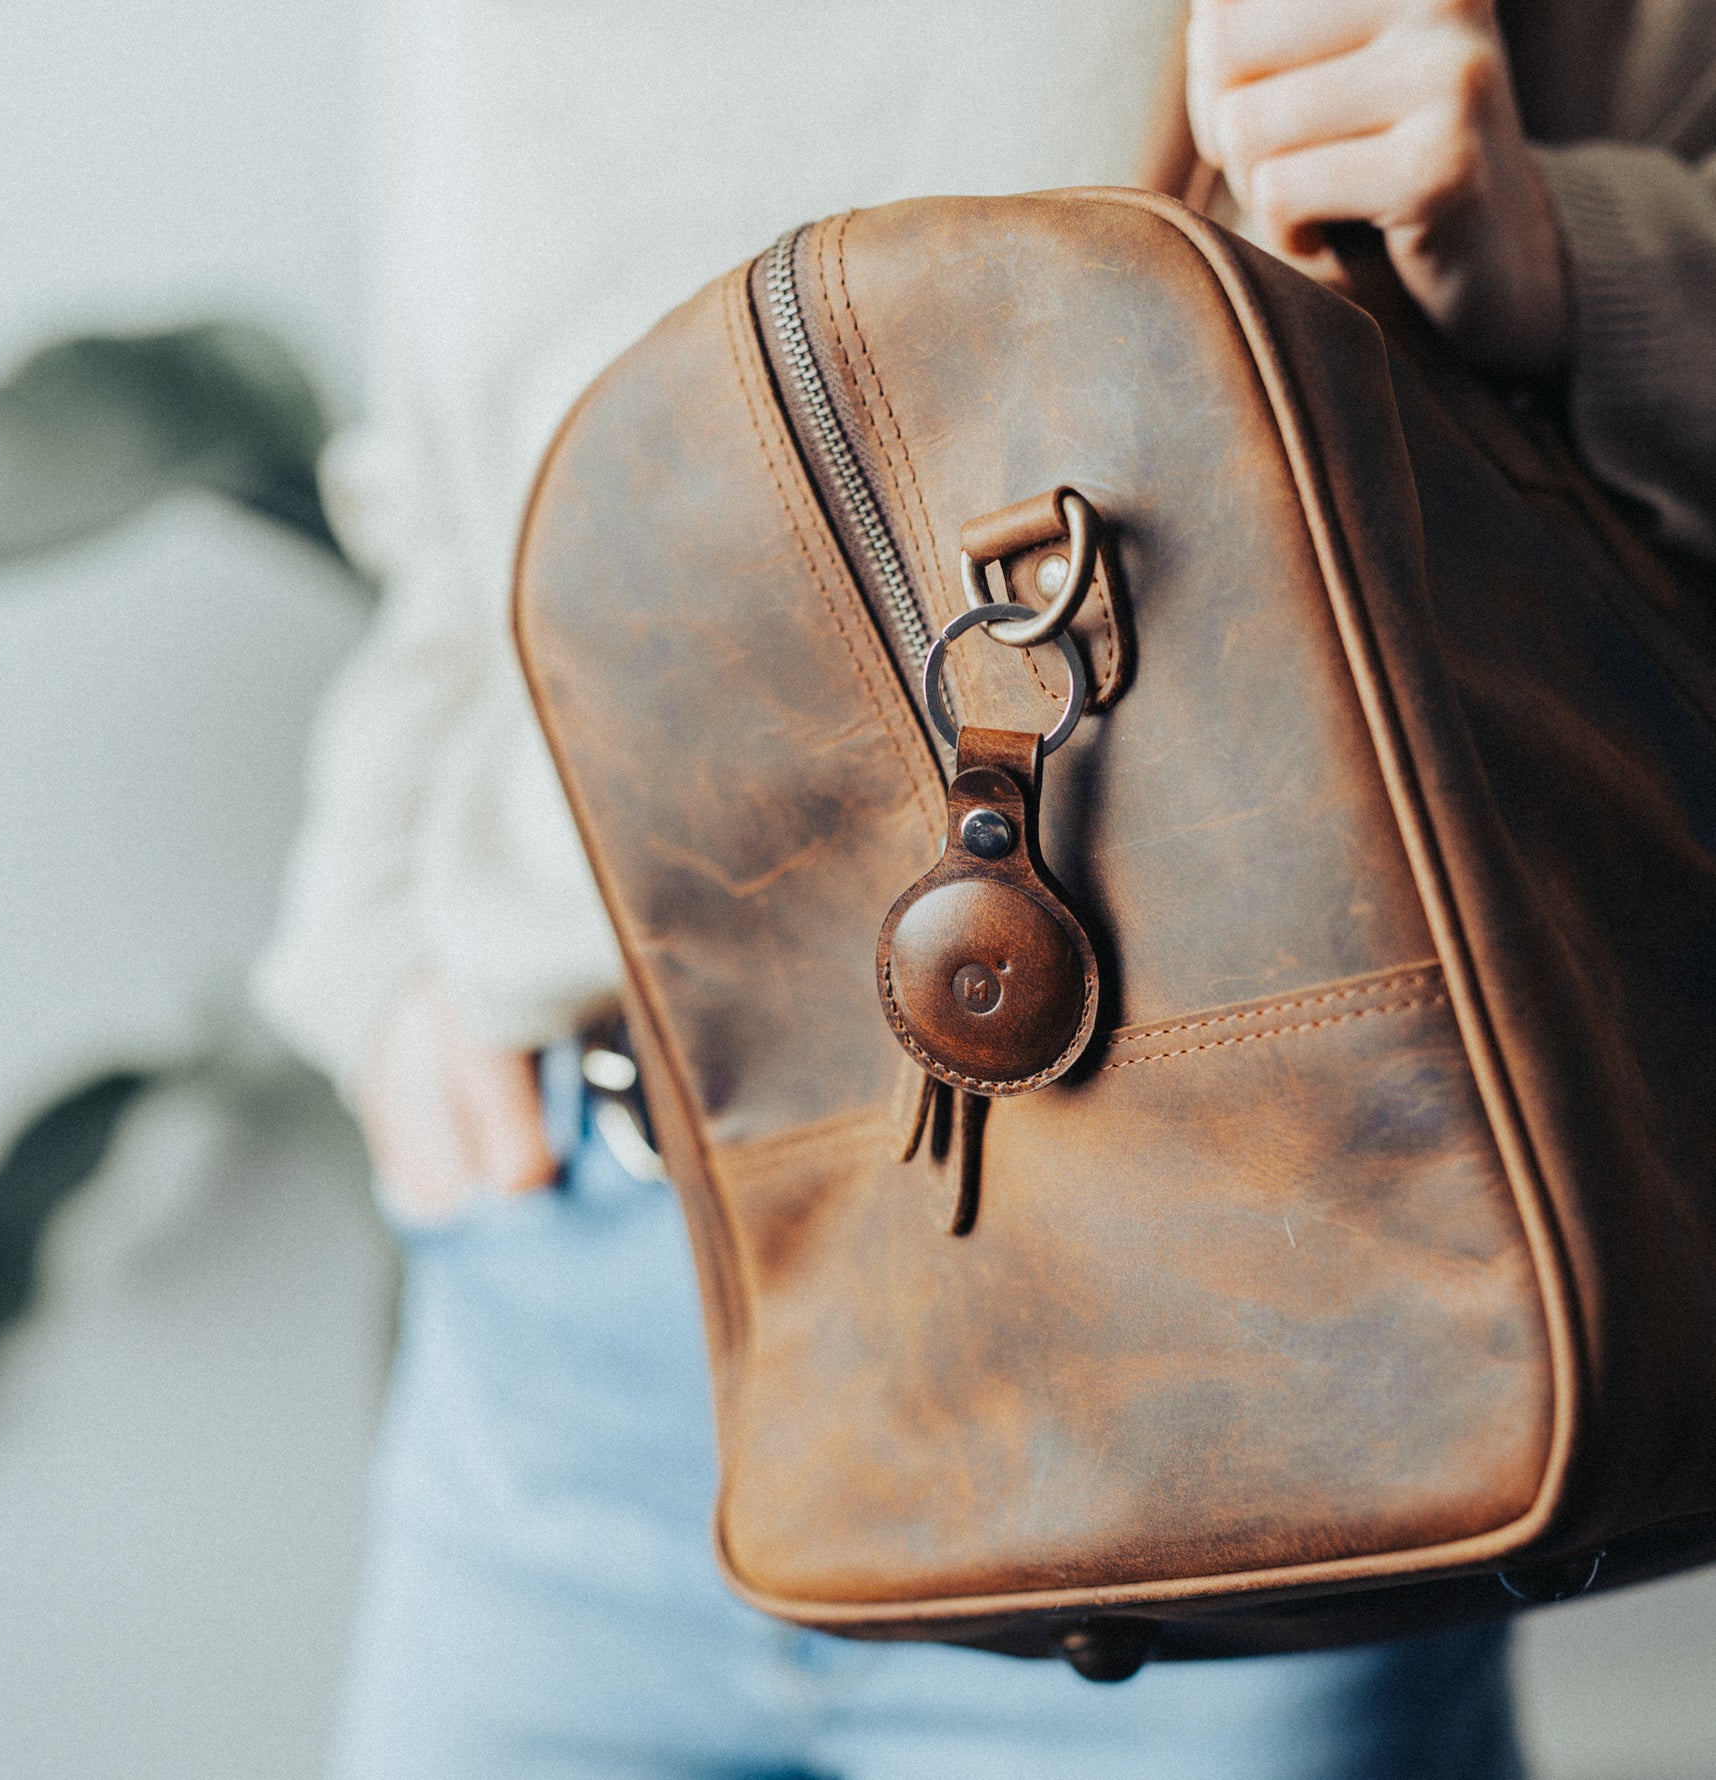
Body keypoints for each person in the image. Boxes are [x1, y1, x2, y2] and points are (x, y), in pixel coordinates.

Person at [257, 2, 1716, 1775]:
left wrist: (1567, 257)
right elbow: (436, 477)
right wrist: (376, 941)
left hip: (1240, 1332)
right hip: (555, 1317)